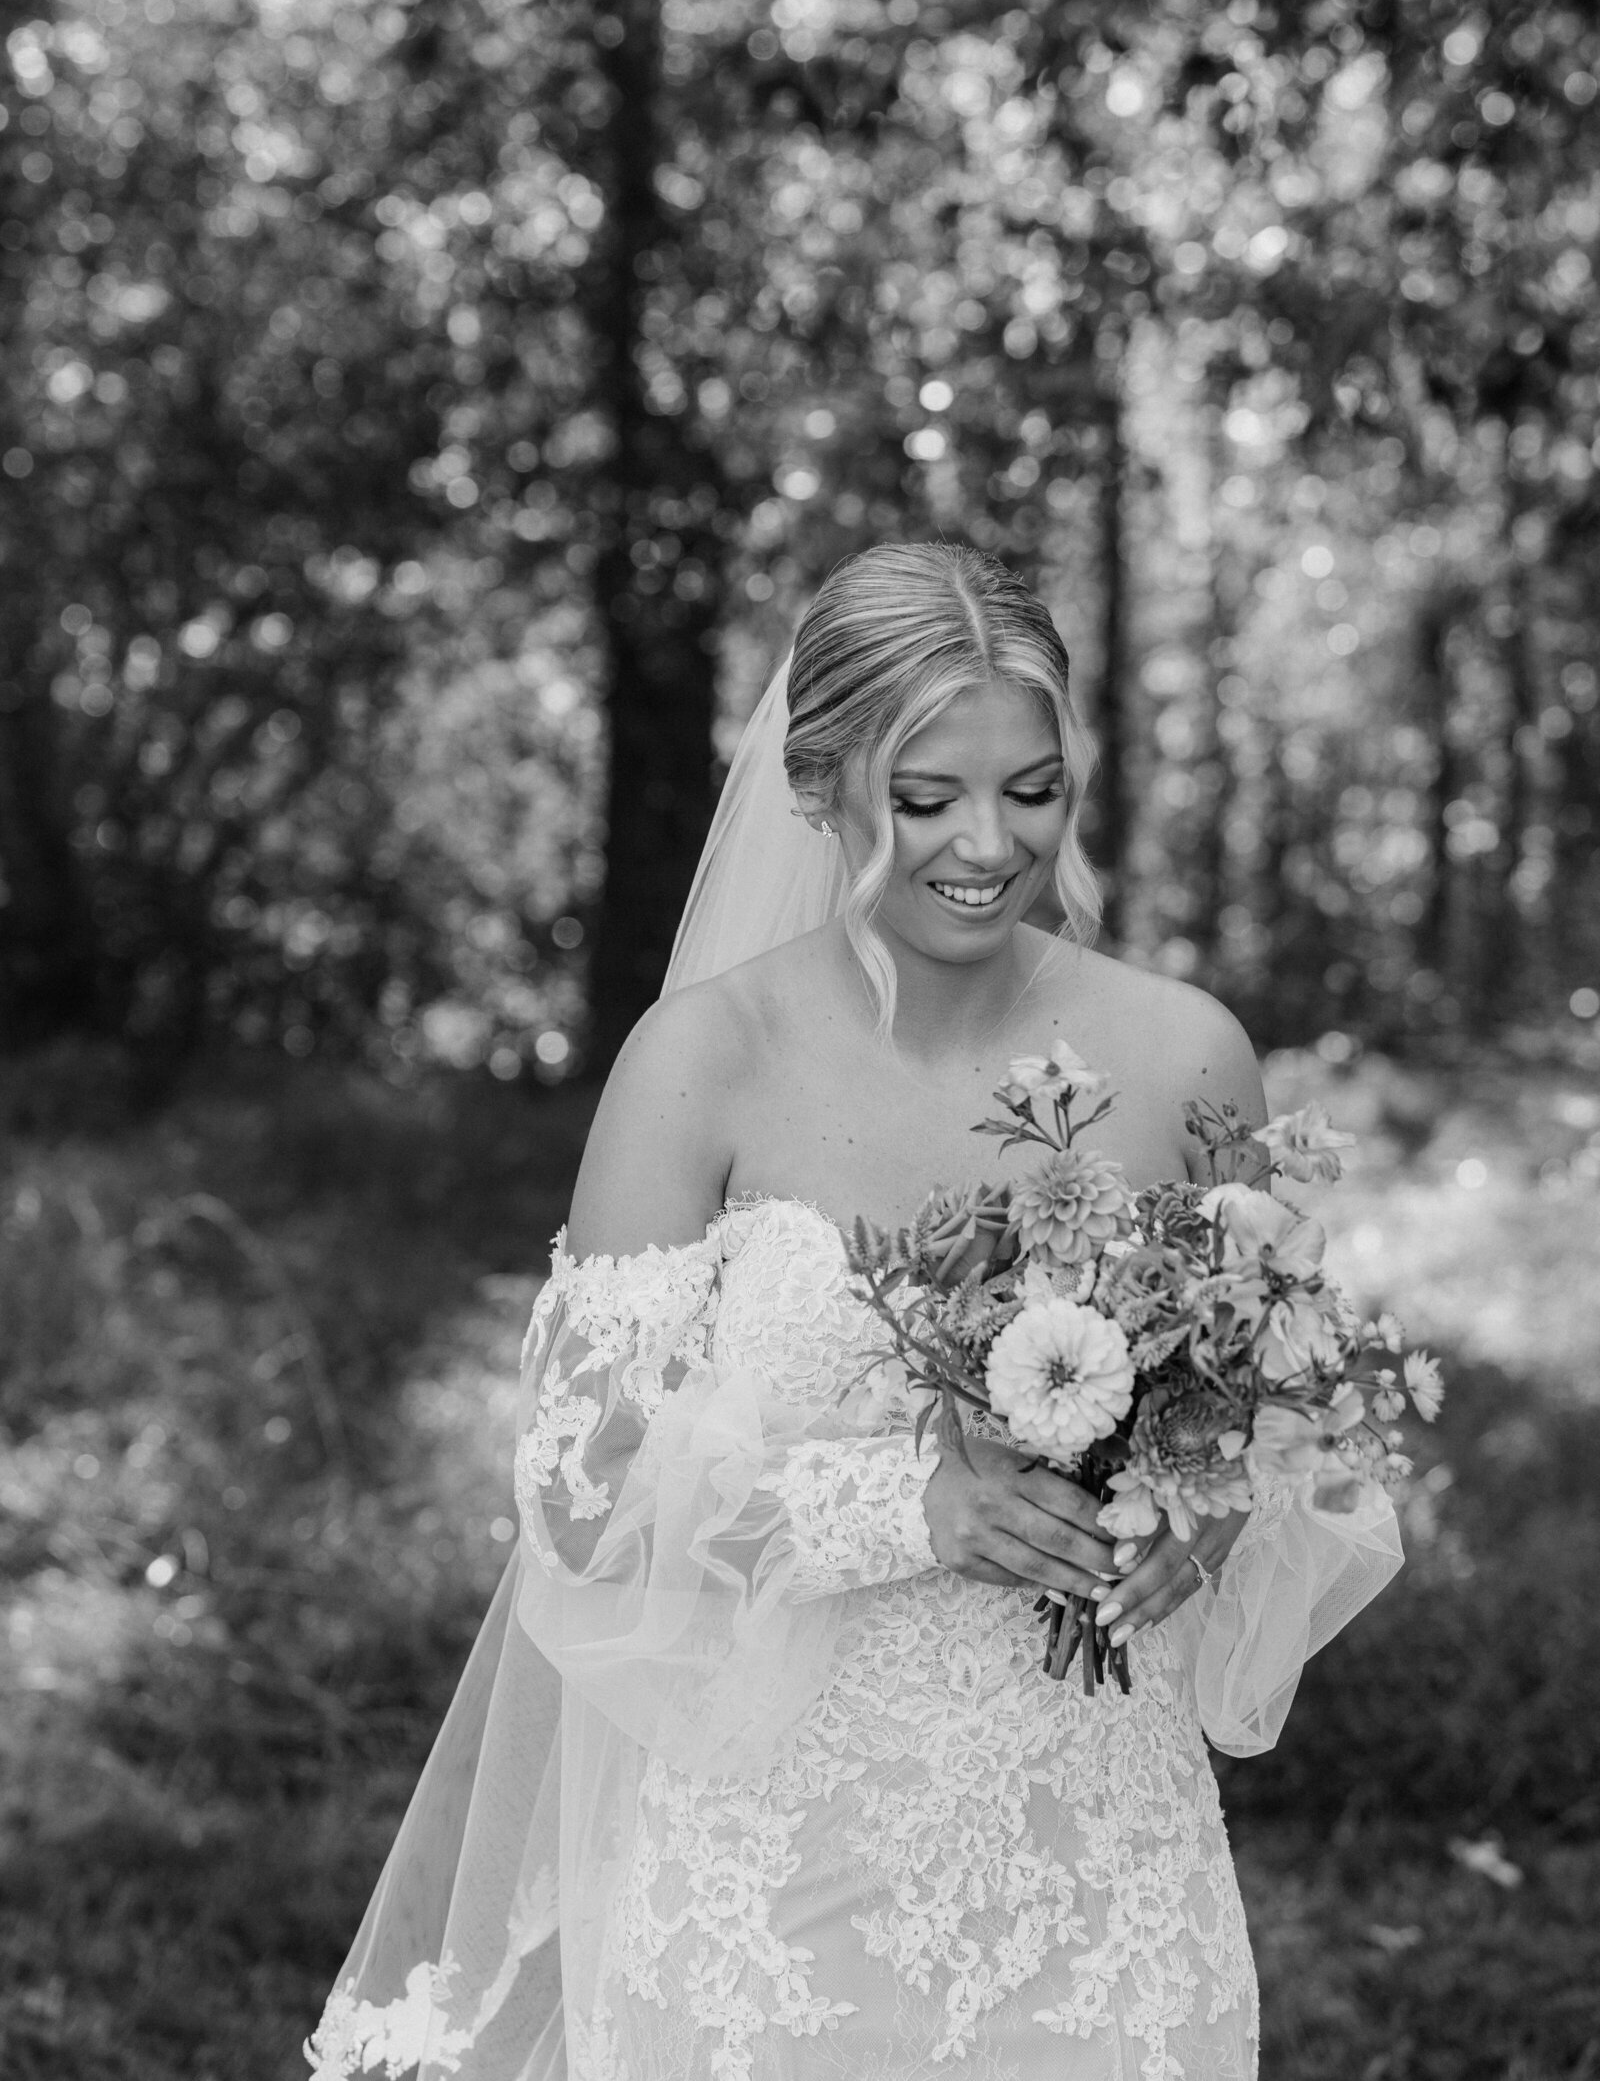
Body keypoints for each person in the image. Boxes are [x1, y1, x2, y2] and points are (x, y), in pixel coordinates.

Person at [308, 542, 1401, 2081]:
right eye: (924, 793)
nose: (984, 842)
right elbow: (578, 1483)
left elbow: (1289, 1399)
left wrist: (1213, 1499)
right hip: (770, 1890)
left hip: (1100, 1866)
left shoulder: (1186, 1055)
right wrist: (909, 1507)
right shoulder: (700, 1062)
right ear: (819, 787)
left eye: (1032, 788)